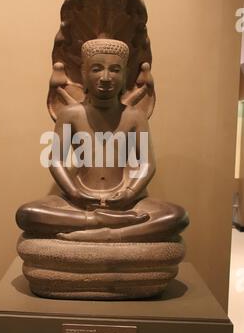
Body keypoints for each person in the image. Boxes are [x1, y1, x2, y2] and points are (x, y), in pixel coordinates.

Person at [16, 39, 188, 242]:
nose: (106, 77)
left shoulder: (135, 116)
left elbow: (147, 164)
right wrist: (74, 192)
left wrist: (130, 193)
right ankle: (96, 220)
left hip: (126, 202)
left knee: (176, 216)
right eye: (97, 69)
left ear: (125, 76)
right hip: (79, 200)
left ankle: (111, 232)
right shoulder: (70, 114)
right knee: (27, 214)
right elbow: (55, 160)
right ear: (84, 74)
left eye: (115, 70)